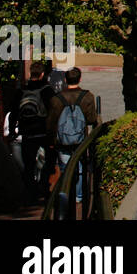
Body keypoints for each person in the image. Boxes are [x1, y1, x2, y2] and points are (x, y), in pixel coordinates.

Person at [47, 69, 99, 205]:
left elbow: (51, 122)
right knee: (80, 168)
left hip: (61, 141)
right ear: (80, 79)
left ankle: (66, 194)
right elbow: (92, 119)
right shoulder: (87, 96)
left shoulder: (56, 99)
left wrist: (51, 141)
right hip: (80, 140)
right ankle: (78, 196)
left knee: (65, 167)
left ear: (65, 79)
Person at [13, 61, 58, 203]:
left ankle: (30, 193)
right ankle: (44, 188)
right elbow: (54, 111)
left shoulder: (21, 91)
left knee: (29, 165)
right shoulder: (47, 90)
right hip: (43, 132)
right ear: (43, 74)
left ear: (30, 73)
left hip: (26, 133)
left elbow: (14, 111)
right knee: (49, 162)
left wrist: (13, 129)